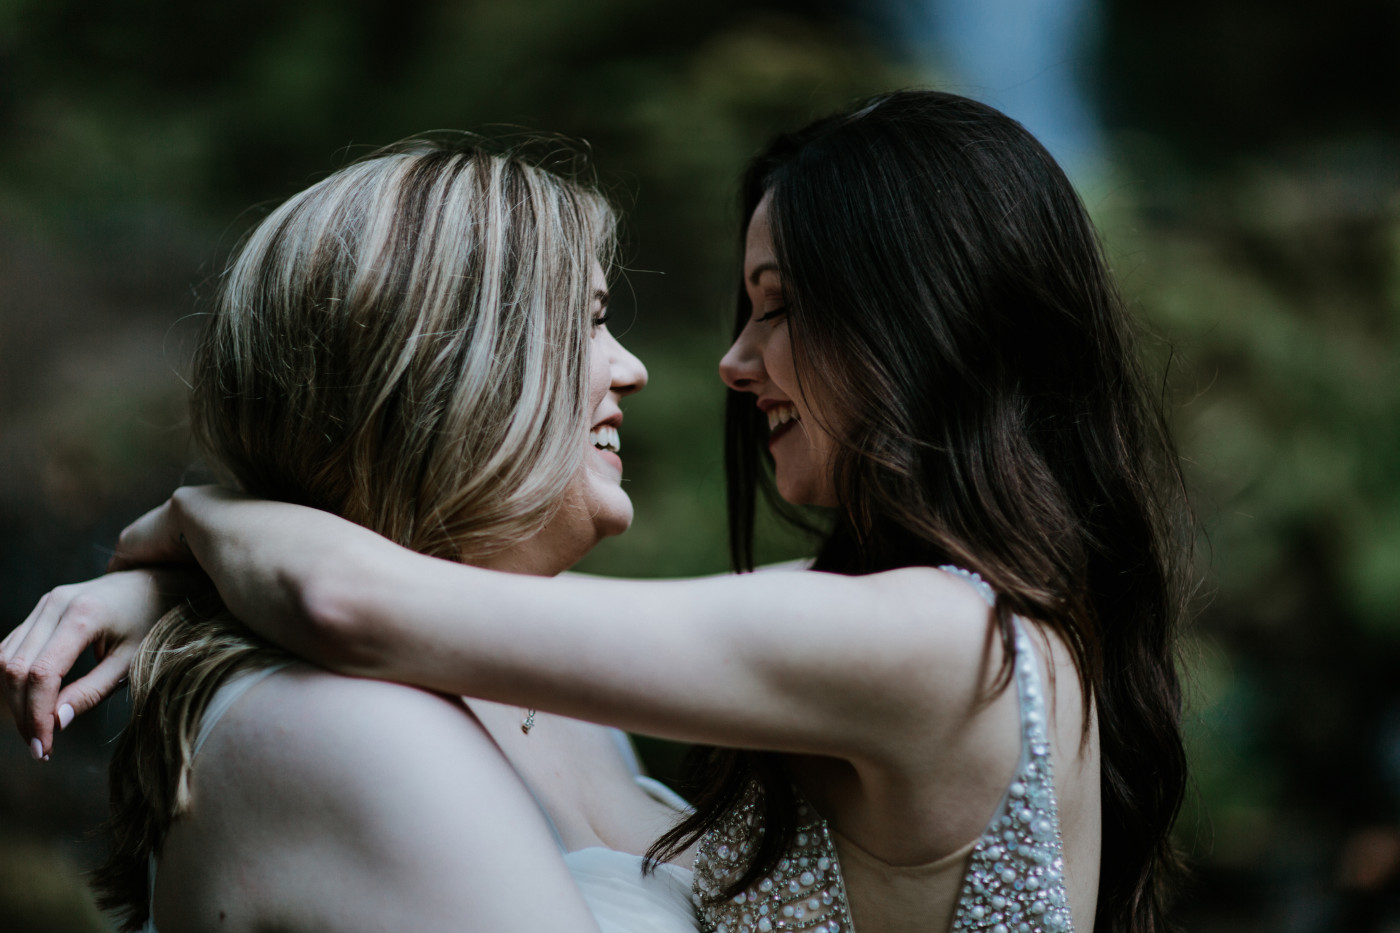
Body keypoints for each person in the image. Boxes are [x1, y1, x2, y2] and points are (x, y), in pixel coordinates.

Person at [6, 90, 1192, 933]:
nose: (722, 364)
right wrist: (170, 583)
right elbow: (436, 605)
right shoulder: (918, 626)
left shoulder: (933, 647)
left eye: (776, 308)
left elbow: (345, 593)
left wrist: (186, 529)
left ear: (918, 328)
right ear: (445, 371)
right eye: (584, 323)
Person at [3, 139, 705, 933]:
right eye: (590, 323)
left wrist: (191, 557)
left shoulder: (555, 680)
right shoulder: (335, 717)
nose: (632, 367)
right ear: (448, 372)